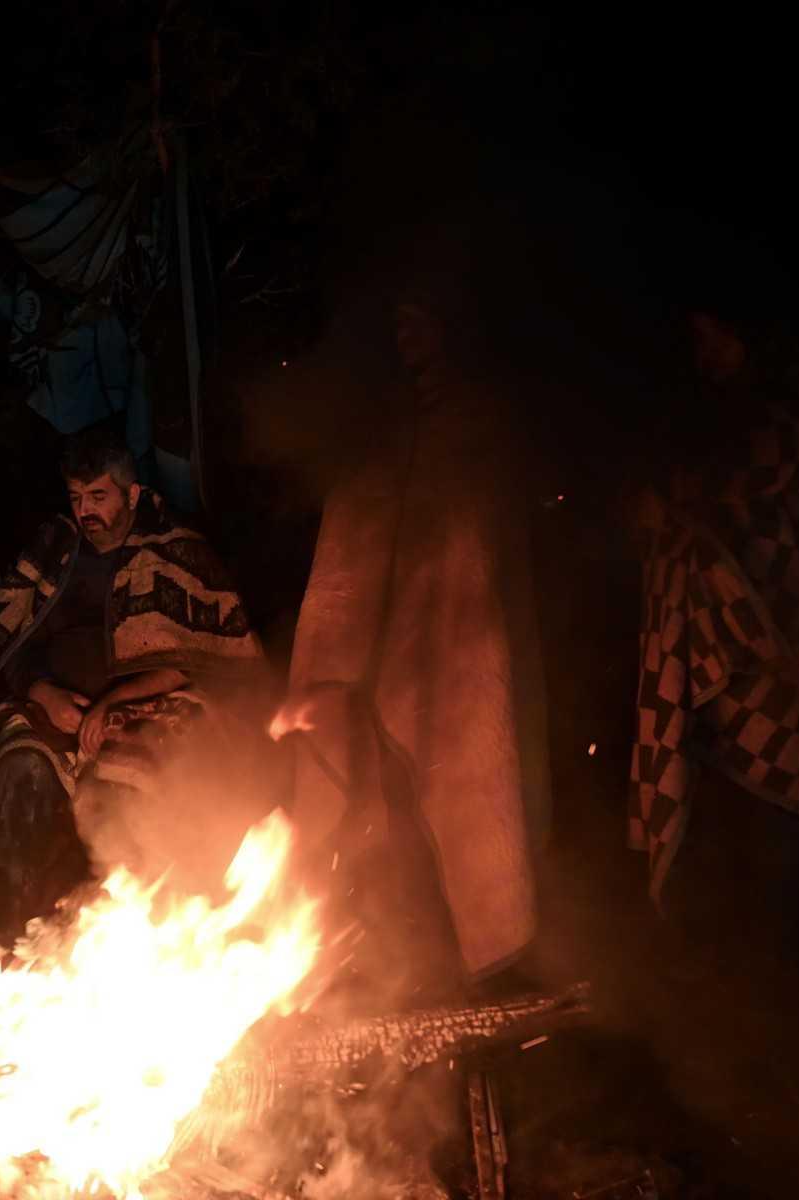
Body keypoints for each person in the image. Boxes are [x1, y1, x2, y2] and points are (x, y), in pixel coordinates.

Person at [278, 284, 553, 998]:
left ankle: (485, 948)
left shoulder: (475, 421)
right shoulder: (380, 431)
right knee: (364, 806)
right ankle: (361, 948)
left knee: (456, 786)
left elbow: (474, 552)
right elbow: (345, 564)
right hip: (366, 666)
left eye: (421, 327)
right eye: (398, 329)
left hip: (445, 653)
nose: (409, 344)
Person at [0, 426, 264, 932]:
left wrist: (112, 704)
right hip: (52, 710)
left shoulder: (177, 547)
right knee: (22, 769)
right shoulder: (52, 549)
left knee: (137, 779)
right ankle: (22, 940)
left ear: (131, 493)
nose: (85, 510)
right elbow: (9, 643)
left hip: (149, 707)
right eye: (76, 497)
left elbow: (205, 656)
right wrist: (43, 694)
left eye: (98, 496)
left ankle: (137, 933)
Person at [626, 299, 799, 925]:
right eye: (695, 344)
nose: (706, 359)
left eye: (716, 341)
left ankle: (775, 994)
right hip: (714, 681)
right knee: (717, 852)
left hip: (790, 670)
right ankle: (716, 987)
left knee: (771, 847)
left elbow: (728, 471)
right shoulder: (711, 417)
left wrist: (673, 493)